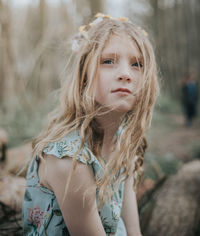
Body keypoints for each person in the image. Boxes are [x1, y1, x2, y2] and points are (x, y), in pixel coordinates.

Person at [22, 13, 159, 235]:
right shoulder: (70, 161)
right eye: (108, 61)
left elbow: (132, 229)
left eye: (137, 64)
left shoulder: (123, 139)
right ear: (84, 75)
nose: (125, 74)